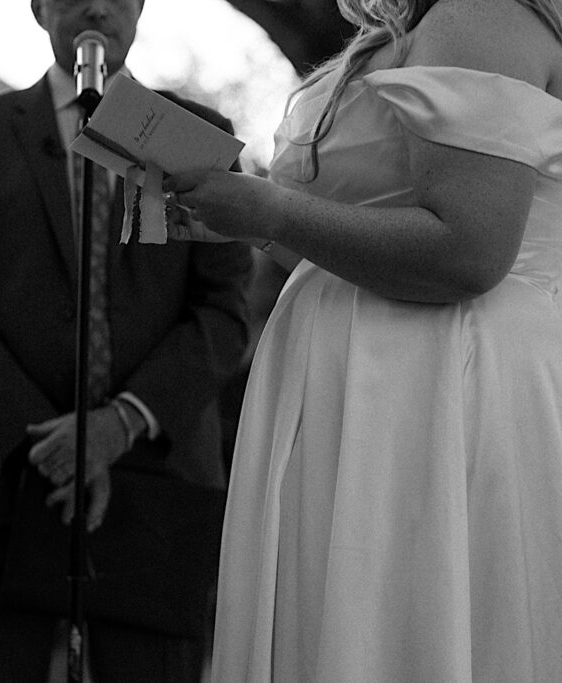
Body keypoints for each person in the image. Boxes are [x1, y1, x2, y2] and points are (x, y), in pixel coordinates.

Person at [162, 0, 562, 680]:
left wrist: (277, 208)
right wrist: (256, 221)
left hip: (433, 395)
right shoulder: (399, 34)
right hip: (360, 395)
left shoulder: (482, 14)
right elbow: (346, 246)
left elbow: (467, 250)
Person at [0, 0, 253, 681]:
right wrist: (42, 442)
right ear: (38, 8)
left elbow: (224, 315)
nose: (98, 5)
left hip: (157, 486)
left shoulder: (196, 136)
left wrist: (118, 424)